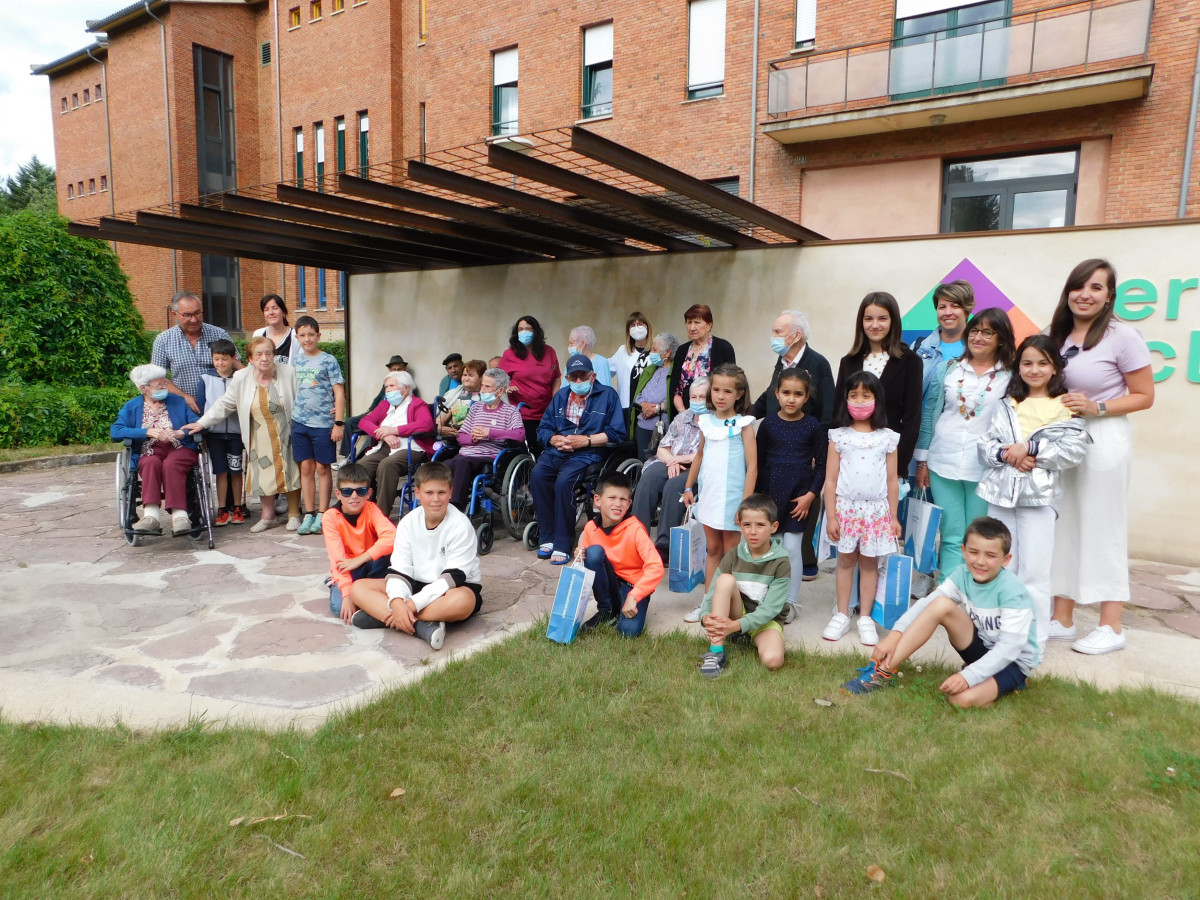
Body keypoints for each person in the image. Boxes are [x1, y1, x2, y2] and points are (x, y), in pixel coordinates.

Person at [1048, 259, 1154, 655]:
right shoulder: (1054, 335)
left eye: (1096, 287)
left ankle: (1112, 624)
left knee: (1104, 527)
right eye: (1079, 286)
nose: (1085, 294)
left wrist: (1099, 407)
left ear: (1110, 295)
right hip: (1062, 439)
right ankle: (1061, 618)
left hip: (1104, 438)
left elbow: (1145, 395)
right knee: (1064, 524)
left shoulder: (1122, 336)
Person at [841, 517, 1038, 708]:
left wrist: (967, 676)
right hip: (982, 649)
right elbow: (926, 604)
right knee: (939, 603)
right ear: (963, 551)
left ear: (1006, 559)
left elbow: (1010, 648)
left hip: (1011, 662)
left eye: (991, 555)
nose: (980, 561)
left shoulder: (1013, 591)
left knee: (959, 700)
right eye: (974, 552)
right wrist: (895, 634)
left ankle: (1013, 683)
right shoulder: (963, 574)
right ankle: (881, 673)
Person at [977, 335, 1091, 651]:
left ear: (1055, 367)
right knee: (1001, 565)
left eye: (1043, 363)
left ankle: (1034, 637)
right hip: (1001, 496)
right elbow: (985, 446)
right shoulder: (1006, 404)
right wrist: (1006, 454)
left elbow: (1072, 451)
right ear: (1018, 367)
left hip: (1039, 499)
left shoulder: (1065, 406)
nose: (1034, 370)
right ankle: (999, 631)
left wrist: (1031, 449)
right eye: (1027, 363)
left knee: (1034, 570)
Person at [914, 308, 1015, 577]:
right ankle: (948, 596)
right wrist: (922, 460)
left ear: (1001, 339)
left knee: (982, 537)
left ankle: (978, 597)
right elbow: (929, 414)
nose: (978, 337)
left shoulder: (1011, 377)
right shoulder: (949, 369)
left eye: (987, 332)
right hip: (942, 461)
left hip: (984, 467)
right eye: (974, 331)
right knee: (951, 534)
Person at [348, 462, 484, 650]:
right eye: (429, 493)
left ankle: (387, 617)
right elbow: (399, 571)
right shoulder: (408, 522)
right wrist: (397, 601)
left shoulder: (460, 525)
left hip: (452, 587)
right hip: (414, 584)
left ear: (450, 492)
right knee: (358, 588)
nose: (435, 499)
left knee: (462, 602)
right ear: (418, 493)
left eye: (441, 493)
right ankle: (420, 625)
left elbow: (452, 578)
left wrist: (411, 605)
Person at [184, 336, 301, 533]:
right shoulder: (242, 378)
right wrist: (201, 423)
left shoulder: (288, 372)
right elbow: (224, 404)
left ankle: (293, 515)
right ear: (250, 358)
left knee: (290, 471)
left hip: (286, 431)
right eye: (259, 354)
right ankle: (268, 516)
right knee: (262, 475)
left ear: (274, 355)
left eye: (268, 353)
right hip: (259, 433)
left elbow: (302, 398)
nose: (264, 358)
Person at [751, 309, 835, 584]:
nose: (773, 337)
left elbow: (827, 411)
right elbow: (768, 395)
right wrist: (746, 415)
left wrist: (817, 450)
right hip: (777, 451)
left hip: (805, 451)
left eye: (778, 332)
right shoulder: (782, 361)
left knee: (802, 510)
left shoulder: (817, 363)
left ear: (795, 335)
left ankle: (806, 564)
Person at [822, 371, 901, 647]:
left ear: (877, 400)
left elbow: (892, 480)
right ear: (845, 401)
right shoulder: (839, 436)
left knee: (870, 564)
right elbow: (830, 479)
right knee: (844, 562)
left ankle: (865, 617)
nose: (859, 400)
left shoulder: (887, 438)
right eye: (853, 395)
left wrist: (893, 517)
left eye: (866, 395)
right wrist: (831, 516)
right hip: (846, 511)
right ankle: (842, 614)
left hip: (876, 513)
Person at [530, 355, 626, 564]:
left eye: (583, 376)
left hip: (589, 451)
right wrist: (554, 439)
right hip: (559, 450)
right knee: (538, 475)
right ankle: (547, 536)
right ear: (567, 378)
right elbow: (543, 428)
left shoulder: (608, 395)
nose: (579, 381)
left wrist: (587, 441)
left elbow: (617, 433)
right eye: (574, 377)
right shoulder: (561, 396)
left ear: (593, 376)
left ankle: (563, 542)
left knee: (564, 482)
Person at [681, 364, 757, 621]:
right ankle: (707, 602)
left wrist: (745, 504)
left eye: (727, 391)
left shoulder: (744, 424)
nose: (720, 396)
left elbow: (752, 465)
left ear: (739, 394)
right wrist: (689, 487)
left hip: (734, 499)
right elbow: (699, 456)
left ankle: (726, 606)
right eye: (716, 390)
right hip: (711, 497)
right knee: (712, 550)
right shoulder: (706, 421)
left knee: (730, 554)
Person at [755, 368, 826, 622]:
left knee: (792, 548)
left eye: (798, 394)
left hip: (798, 499)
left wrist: (810, 495)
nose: (791, 399)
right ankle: (768, 598)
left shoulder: (813, 426)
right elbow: (759, 462)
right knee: (771, 549)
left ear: (806, 397)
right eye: (786, 392)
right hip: (771, 496)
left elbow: (824, 465)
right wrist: (757, 501)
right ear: (777, 393)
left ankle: (791, 602)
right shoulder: (768, 424)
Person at [697, 494, 791, 679]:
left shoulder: (781, 562)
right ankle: (716, 650)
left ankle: (740, 632)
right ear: (739, 525)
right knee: (725, 580)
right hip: (737, 612)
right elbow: (712, 592)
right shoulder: (733, 555)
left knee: (773, 660)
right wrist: (705, 616)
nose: (753, 531)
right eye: (747, 525)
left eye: (760, 525)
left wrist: (738, 625)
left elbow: (771, 608)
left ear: (774, 527)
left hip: (765, 620)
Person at [833, 292, 923, 474]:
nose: (875, 325)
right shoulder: (848, 361)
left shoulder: (910, 361)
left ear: (893, 321)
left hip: (889, 458)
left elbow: (912, 419)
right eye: (868, 319)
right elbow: (838, 413)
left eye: (882, 318)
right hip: (850, 458)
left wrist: (898, 467)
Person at [111, 364, 201, 536]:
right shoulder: (132, 407)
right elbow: (116, 431)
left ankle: (180, 517)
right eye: (159, 385)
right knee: (149, 462)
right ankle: (151, 516)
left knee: (171, 464)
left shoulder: (178, 402)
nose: (164, 387)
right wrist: (146, 432)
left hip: (180, 448)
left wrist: (181, 432)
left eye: (165, 383)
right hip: (150, 450)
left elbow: (198, 425)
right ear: (144, 388)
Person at [576, 471, 665, 638]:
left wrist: (635, 595)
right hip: (609, 583)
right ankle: (606, 610)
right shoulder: (590, 527)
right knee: (593, 553)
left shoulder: (635, 529)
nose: (618, 504)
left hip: (632, 587)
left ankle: (626, 605)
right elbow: (587, 561)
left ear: (629, 503)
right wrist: (580, 555)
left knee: (628, 632)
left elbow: (656, 566)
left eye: (623, 499)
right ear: (598, 500)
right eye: (612, 498)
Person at [631, 377, 708, 560]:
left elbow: (705, 453)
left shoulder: (714, 422)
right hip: (670, 461)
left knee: (674, 486)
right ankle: (636, 540)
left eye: (702, 397)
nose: (697, 401)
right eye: (694, 397)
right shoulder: (682, 417)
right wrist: (672, 461)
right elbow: (662, 447)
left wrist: (679, 459)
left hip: (696, 467)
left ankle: (664, 548)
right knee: (649, 478)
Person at [291, 316, 346, 535]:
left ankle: (324, 512)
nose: (307, 339)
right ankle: (309, 512)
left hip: (323, 424)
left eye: (311, 334)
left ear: (318, 336)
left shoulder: (328, 360)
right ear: (297, 338)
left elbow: (339, 391)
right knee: (305, 467)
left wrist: (338, 422)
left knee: (323, 468)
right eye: (302, 335)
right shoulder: (294, 361)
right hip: (299, 422)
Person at [321, 463, 396, 622]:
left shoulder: (371, 508)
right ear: (338, 494)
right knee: (339, 607)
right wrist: (347, 592)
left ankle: (368, 599)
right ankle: (345, 588)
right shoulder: (330, 517)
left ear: (368, 493)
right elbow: (338, 559)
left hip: (370, 565)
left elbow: (392, 536)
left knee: (386, 555)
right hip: (347, 569)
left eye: (360, 491)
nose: (354, 496)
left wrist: (360, 559)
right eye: (347, 492)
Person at [357, 371, 436, 519]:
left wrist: (395, 430)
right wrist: (385, 434)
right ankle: (364, 509)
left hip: (410, 447)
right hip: (385, 446)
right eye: (386, 386)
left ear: (405, 388)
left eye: (391, 386)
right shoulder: (385, 405)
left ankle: (380, 516)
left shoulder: (417, 404)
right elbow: (364, 422)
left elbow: (426, 424)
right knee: (362, 466)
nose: (387, 390)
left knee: (387, 465)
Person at [445, 367, 525, 510]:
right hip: (465, 454)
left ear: (500, 391)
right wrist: (473, 439)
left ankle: (456, 507)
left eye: (487, 387)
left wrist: (490, 433)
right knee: (437, 468)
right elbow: (461, 436)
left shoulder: (510, 411)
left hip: (489, 456)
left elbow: (519, 435)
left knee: (462, 462)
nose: (482, 390)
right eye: (482, 385)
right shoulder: (475, 408)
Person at [150, 290, 241, 413]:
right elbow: (158, 378)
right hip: (183, 408)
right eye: (187, 315)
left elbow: (238, 366)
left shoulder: (219, 334)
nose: (193, 320)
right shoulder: (163, 340)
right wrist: (184, 397)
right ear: (174, 314)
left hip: (220, 407)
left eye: (197, 313)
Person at [195, 339, 245, 526]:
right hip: (214, 434)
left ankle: (238, 507)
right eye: (216, 359)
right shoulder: (205, 379)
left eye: (224, 359)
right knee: (220, 471)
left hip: (235, 433)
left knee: (236, 469)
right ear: (212, 359)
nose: (220, 363)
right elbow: (201, 408)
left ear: (233, 359)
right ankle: (222, 508)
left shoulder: (240, 378)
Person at [500, 315, 561, 452]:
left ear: (536, 332)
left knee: (545, 448)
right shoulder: (510, 354)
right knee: (527, 450)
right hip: (522, 412)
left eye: (528, 329)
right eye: (520, 329)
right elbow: (499, 380)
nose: (524, 332)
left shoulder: (549, 351)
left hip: (546, 412)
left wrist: (555, 398)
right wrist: (507, 388)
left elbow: (556, 377)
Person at [912, 280, 975, 404]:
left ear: (967, 310)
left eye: (955, 306)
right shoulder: (919, 347)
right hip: (919, 423)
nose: (947, 313)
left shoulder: (976, 350)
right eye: (942, 307)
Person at [667, 304, 736, 416]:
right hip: (685, 413)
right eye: (689, 322)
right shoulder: (681, 350)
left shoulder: (723, 347)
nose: (692, 327)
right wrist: (683, 413)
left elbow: (730, 385)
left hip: (714, 414)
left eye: (697, 322)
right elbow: (675, 388)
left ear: (709, 325)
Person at [340, 354, 411, 459]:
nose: (396, 371)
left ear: (404, 369)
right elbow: (377, 399)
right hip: (376, 411)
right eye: (393, 369)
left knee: (373, 431)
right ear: (389, 370)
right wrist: (370, 410)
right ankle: (347, 457)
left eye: (399, 369)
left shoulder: (407, 384)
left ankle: (360, 458)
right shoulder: (387, 382)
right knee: (350, 422)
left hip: (388, 416)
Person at [630, 332, 679, 459]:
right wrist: (643, 405)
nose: (650, 352)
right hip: (642, 426)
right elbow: (638, 394)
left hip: (664, 428)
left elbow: (675, 398)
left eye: (654, 349)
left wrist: (657, 408)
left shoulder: (676, 373)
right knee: (642, 461)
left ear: (667, 353)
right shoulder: (649, 370)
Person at [609, 311, 654, 410]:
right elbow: (606, 369)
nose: (636, 328)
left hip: (648, 408)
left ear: (647, 326)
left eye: (640, 324)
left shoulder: (656, 351)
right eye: (632, 325)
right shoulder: (622, 351)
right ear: (628, 330)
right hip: (626, 407)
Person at [436, 359, 485, 441]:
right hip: (455, 440)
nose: (467, 378)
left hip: (479, 440)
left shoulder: (489, 396)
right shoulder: (454, 395)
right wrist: (440, 429)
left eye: (471, 375)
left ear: (481, 377)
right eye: (464, 375)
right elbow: (439, 421)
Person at [252, 293, 298, 367]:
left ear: (283, 311)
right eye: (266, 310)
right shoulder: (258, 334)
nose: (271, 313)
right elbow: (252, 364)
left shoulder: (295, 335)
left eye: (275, 308)